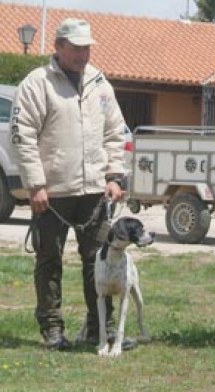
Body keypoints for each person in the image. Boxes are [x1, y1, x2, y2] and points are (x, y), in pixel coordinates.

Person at [10, 18, 127, 350]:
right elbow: (23, 137)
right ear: (58, 47)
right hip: (52, 192)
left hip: (94, 191)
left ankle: (100, 329)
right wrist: (35, 184)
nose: (82, 54)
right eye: (76, 48)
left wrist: (114, 175)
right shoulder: (36, 84)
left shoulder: (100, 83)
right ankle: (52, 329)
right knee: (50, 260)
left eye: (87, 47)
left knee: (99, 261)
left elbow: (115, 132)